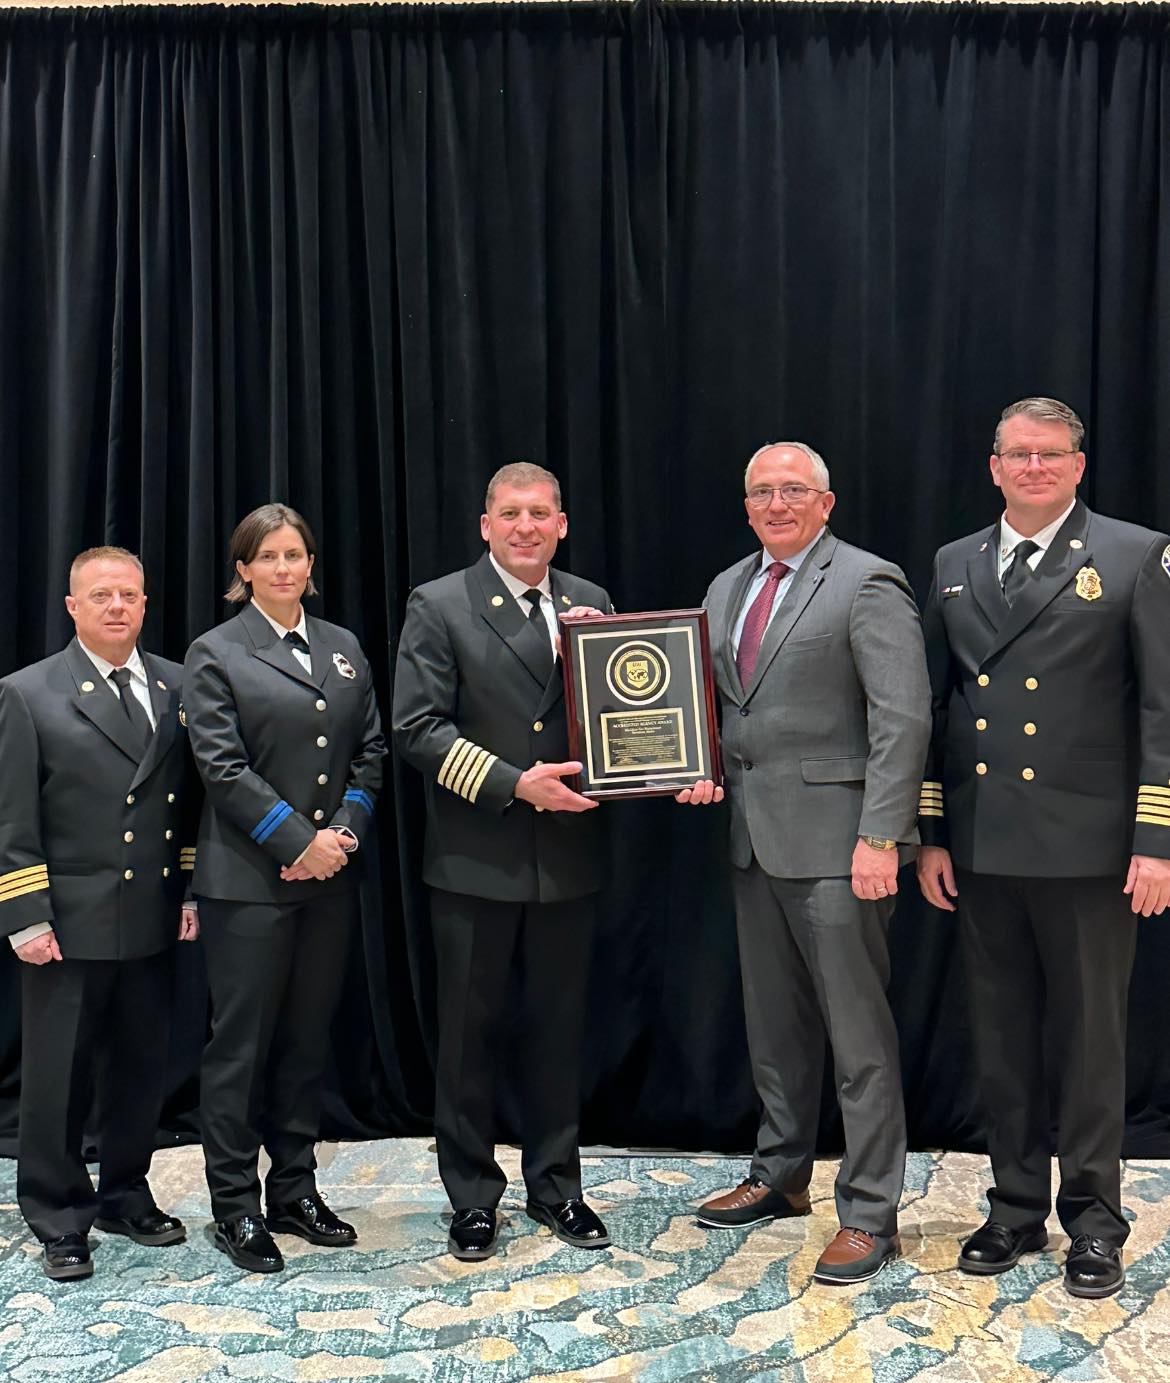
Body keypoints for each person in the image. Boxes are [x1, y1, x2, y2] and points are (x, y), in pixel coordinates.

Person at [916, 396, 1170, 1298]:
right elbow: (939, 705)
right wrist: (933, 832)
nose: (1034, 468)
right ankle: (1015, 1205)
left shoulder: (1134, 554)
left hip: (1090, 847)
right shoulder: (954, 562)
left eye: (1050, 454)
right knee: (1002, 1040)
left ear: (1077, 464)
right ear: (993, 466)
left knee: (1090, 1044)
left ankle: (1094, 1222)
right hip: (985, 844)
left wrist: (1156, 839)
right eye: (1018, 454)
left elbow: (1161, 707)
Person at [688, 442, 931, 1284]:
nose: (777, 503)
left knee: (858, 1038)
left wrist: (882, 836)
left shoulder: (867, 581)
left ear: (826, 503)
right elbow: (708, 705)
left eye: (794, 489)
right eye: (763, 491)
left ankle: (868, 1211)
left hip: (841, 845)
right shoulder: (725, 587)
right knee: (775, 1026)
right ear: (746, 506)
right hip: (754, 839)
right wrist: (696, 762)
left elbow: (903, 715)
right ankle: (781, 1173)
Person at [392, 462, 613, 1261]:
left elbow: (618, 716)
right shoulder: (440, 603)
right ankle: (472, 1196)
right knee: (468, 1037)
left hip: (568, 856)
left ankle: (557, 1186)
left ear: (562, 524)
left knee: (558, 1032)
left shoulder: (591, 602)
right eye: (511, 513)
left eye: (540, 513)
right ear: (486, 525)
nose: (526, 526)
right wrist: (515, 784)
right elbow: (416, 727)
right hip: (475, 856)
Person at [183, 503, 384, 1274]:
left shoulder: (342, 646)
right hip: (248, 883)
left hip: (327, 880)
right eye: (266, 556)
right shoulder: (216, 651)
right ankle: (234, 1204)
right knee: (241, 1048)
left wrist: (342, 837)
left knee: (305, 1041)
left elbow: (369, 750)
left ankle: (293, 1189)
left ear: (309, 563)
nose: (283, 567)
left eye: (294, 554)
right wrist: (299, 842)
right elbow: (222, 766)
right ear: (243, 569)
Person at [0, 546, 199, 1280]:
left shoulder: (178, 685)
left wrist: (190, 889)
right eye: (101, 595)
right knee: (58, 1076)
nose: (117, 606)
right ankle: (59, 1215)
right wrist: (25, 914)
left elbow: (192, 803)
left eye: (129, 595)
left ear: (145, 604)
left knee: (140, 1068)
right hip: (68, 918)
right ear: (72, 606)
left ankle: (124, 1192)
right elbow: (13, 817)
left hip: (150, 909)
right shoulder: (29, 692)